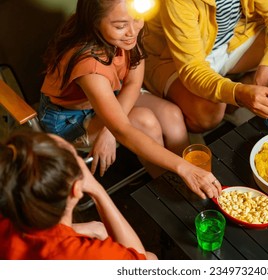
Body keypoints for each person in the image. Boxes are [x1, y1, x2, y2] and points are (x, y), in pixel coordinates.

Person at [38, 0, 221, 199]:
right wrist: (183, 168)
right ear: (95, 22)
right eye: (120, 26)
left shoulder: (127, 31)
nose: (132, 31)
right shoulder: (90, 66)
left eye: (137, 19)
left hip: (111, 93)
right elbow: (122, 129)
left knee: (171, 114)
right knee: (145, 121)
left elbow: (133, 82)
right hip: (71, 117)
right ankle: (173, 192)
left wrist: (108, 131)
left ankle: (196, 182)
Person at [143, 0, 268, 133]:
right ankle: (196, 113)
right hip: (173, 58)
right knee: (209, 115)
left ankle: (236, 105)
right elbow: (192, 68)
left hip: (231, 39)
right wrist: (237, 93)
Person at [0, 131, 157, 260]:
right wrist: (97, 190)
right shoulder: (82, 254)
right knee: (151, 259)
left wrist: (88, 229)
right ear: (76, 189)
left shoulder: (10, 205)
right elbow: (139, 264)